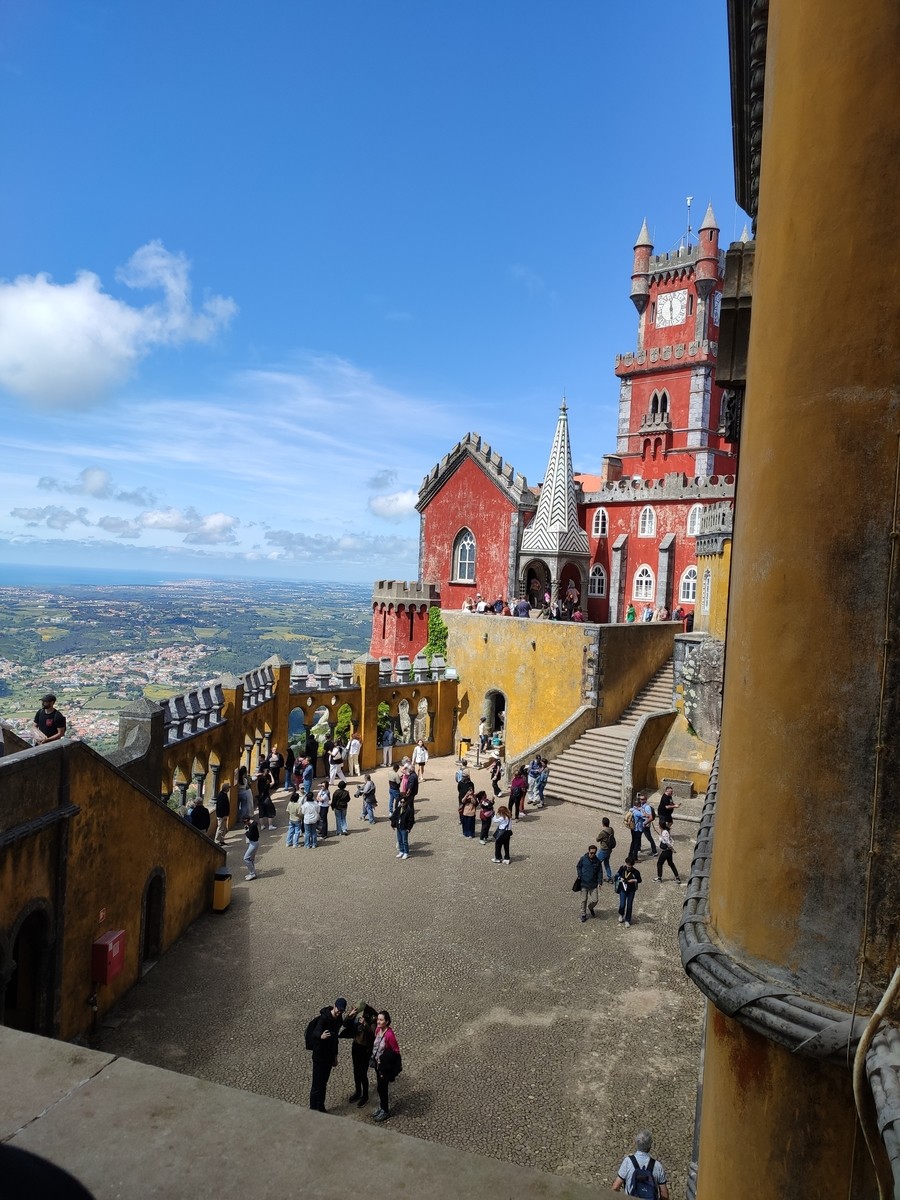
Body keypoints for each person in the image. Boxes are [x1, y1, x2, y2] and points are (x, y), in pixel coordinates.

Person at [308, 998, 347, 1112]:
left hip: (329, 1057)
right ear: (334, 1006)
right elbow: (315, 1032)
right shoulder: (324, 1018)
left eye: (342, 1011)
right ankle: (313, 1109)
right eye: (338, 1010)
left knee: (323, 1083)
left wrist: (335, 1057)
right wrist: (321, 1036)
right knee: (316, 1085)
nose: (339, 1012)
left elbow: (335, 1040)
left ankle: (321, 1106)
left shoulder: (338, 1019)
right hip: (319, 1057)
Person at [339, 1002, 377, 1107]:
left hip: (365, 1048)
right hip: (356, 1045)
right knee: (356, 1071)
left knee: (363, 1073)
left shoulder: (373, 1018)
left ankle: (365, 1095)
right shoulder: (357, 1015)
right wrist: (350, 1015)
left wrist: (366, 1025)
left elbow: (373, 1034)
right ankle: (358, 1092)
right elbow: (345, 1024)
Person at [612, 1129, 669, 1197]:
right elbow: (664, 1194)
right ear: (650, 1146)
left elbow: (615, 1187)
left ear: (636, 1143)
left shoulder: (628, 1161)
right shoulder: (657, 1166)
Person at [371, 1010, 402, 1121]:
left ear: (387, 1021)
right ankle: (382, 1107)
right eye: (378, 1019)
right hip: (377, 1064)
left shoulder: (389, 1035)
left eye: (381, 1020)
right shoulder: (377, 1030)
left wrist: (385, 1060)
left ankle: (385, 1110)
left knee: (383, 1088)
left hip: (384, 1066)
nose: (378, 1022)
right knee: (380, 1087)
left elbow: (396, 1051)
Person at [575, 844, 604, 921]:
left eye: (594, 853)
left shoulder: (598, 861)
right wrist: (579, 875)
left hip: (593, 884)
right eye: (591, 853)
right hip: (584, 883)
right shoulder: (583, 859)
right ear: (588, 851)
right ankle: (583, 914)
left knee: (595, 900)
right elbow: (578, 866)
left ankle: (590, 907)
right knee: (583, 900)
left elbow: (600, 872)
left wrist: (600, 882)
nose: (592, 854)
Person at [615, 856, 642, 927]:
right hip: (622, 889)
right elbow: (617, 875)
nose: (627, 866)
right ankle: (621, 914)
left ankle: (627, 920)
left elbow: (639, 880)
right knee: (622, 904)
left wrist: (634, 880)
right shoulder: (622, 868)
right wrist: (620, 878)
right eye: (627, 864)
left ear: (632, 865)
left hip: (631, 890)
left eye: (629, 865)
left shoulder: (636, 872)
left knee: (629, 905)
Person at [391, 793, 415, 858]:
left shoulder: (409, 810)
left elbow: (411, 820)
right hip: (399, 827)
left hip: (404, 827)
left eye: (403, 802)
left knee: (405, 841)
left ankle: (406, 852)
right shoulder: (398, 809)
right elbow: (394, 817)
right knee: (400, 840)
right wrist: (393, 825)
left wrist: (409, 828)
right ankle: (401, 851)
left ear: (406, 802)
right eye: (401, 802)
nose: (402, 803)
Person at [596, 817, 616, 882]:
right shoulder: (611, 829)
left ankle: (596, 876)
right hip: (609, 849)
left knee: (596, 862)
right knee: (606, 863)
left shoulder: (603, 832)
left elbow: (597, 839)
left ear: (603, 824)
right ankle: (609, 877)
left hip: (604, 849)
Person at [213, 782, 230, 848]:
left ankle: (221, 840)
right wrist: (224, 815)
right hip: (221, 816)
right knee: (220, 829)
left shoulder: (223, 794)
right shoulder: (221, 796)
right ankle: (217, 841)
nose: (229, 789)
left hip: (224, 815)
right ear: (226, 789)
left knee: (223, 829)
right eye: (228, 788)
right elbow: (221, 807)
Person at [243, 815, 260, 880]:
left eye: (244, 822)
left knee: (246, 858)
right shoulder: (252, 824)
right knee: (251, 859)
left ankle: (252, 873)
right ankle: (252, 873)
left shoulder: (252, 826)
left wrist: (246, 832)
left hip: (253, 843)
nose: (244, 823)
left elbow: (250, 836)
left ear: (247, 820)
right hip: (253, 843)